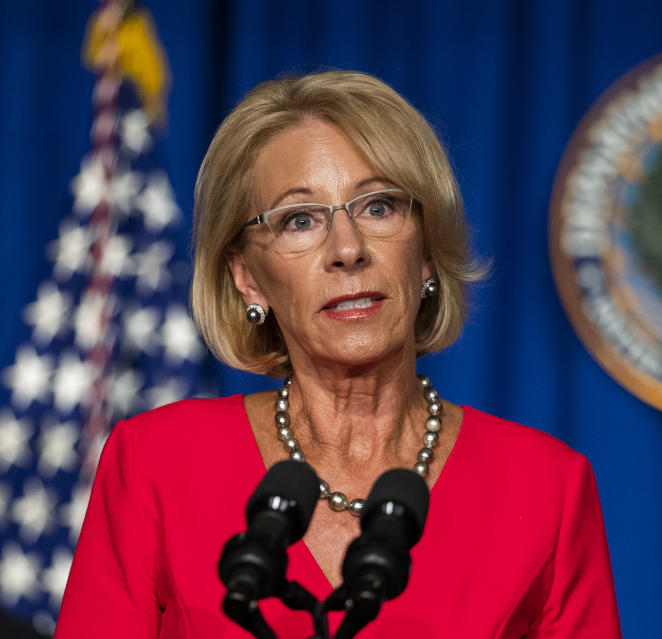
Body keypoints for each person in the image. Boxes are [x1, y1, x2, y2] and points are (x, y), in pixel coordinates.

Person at [55, 70, 621, 638]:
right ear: (247, 277)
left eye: (378, 207)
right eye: (299, 220)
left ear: (425, 253)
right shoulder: (155, 463)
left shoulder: (547, 489)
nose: (347, 250)